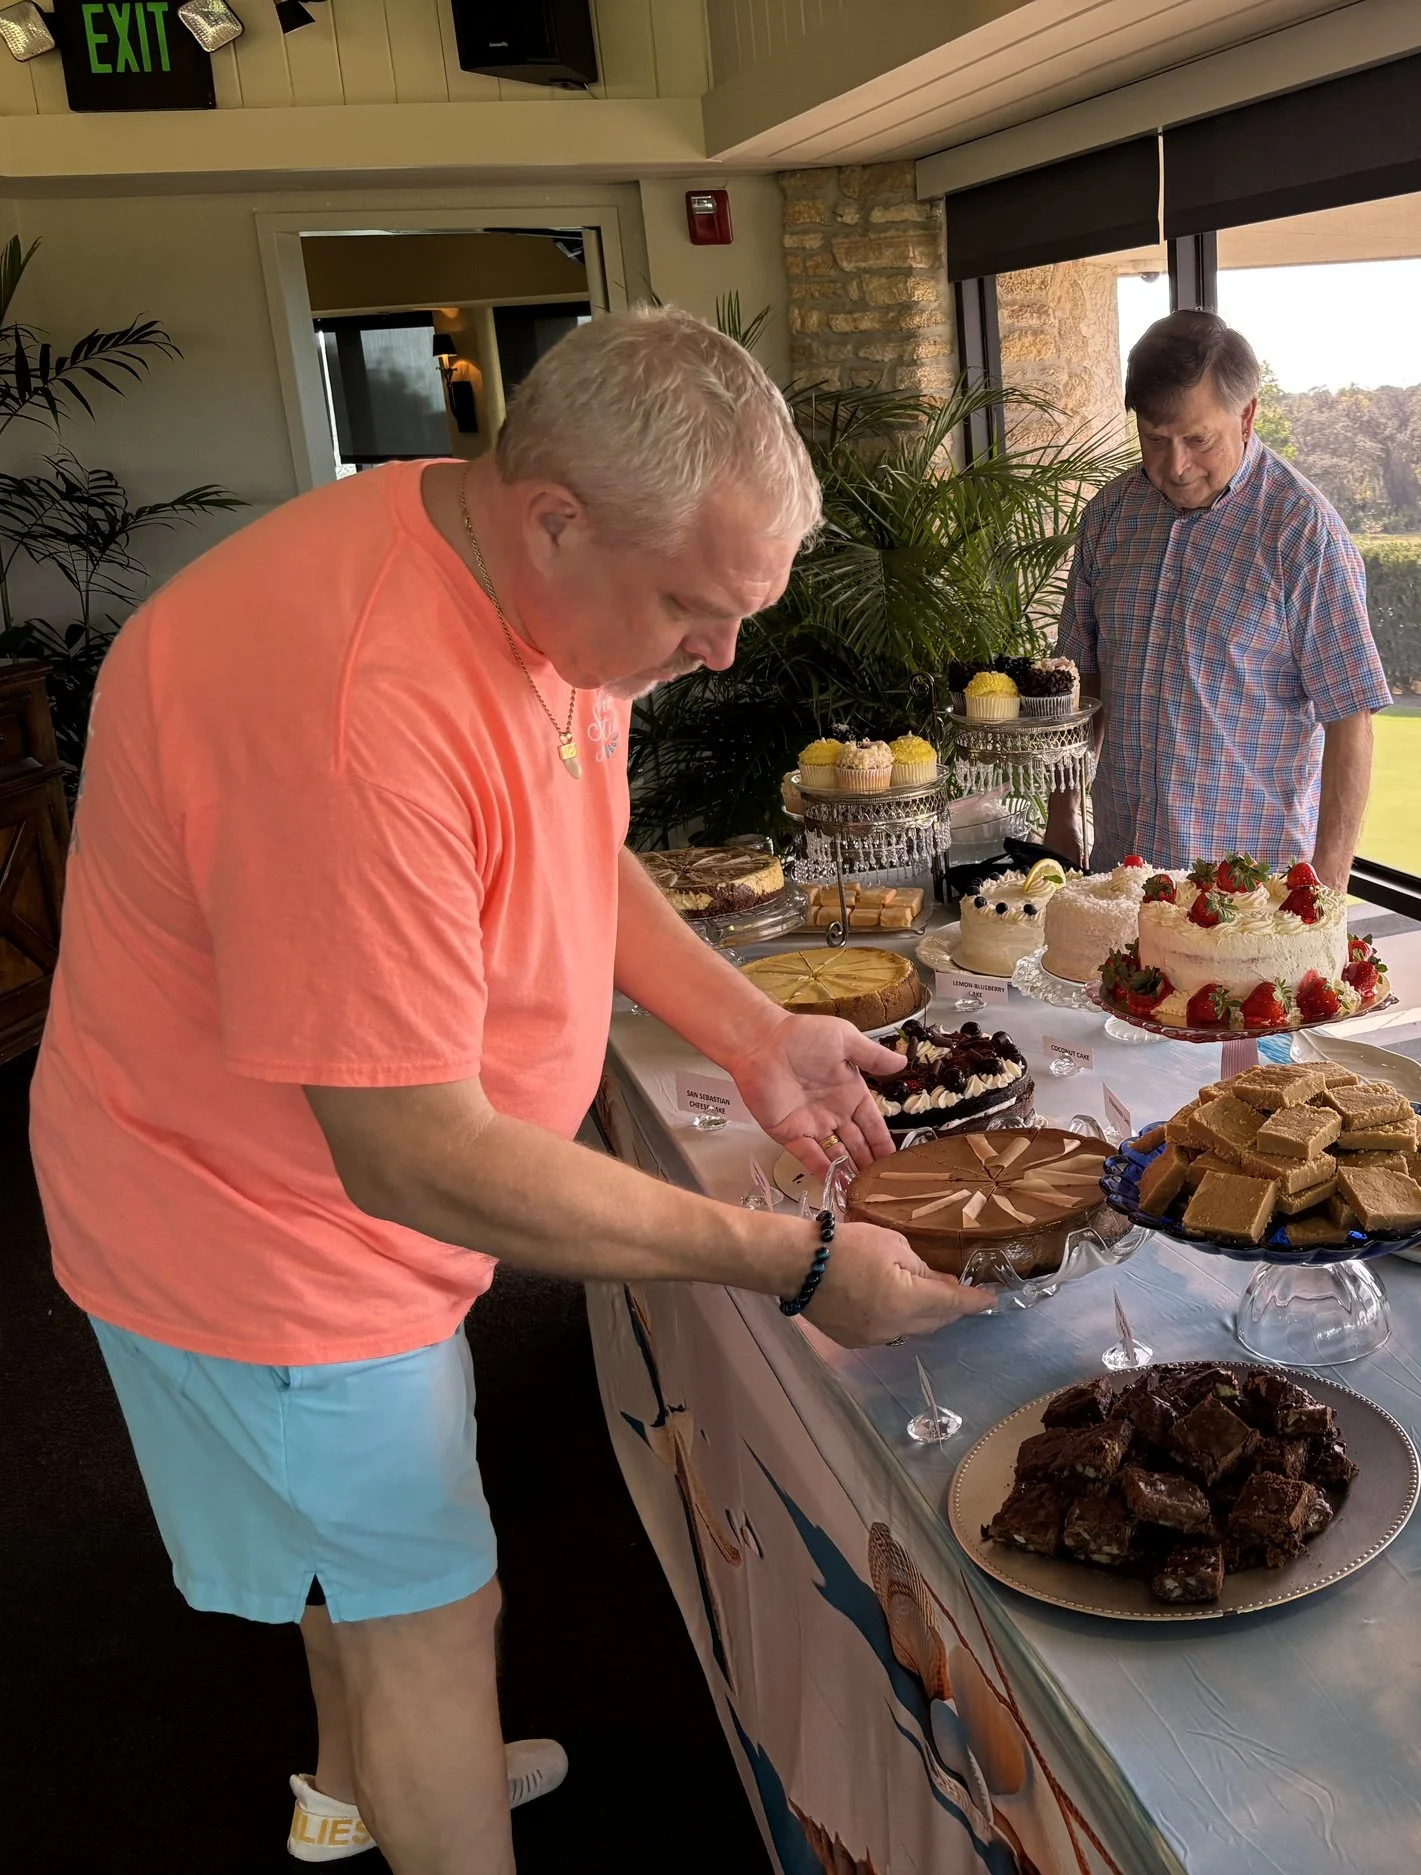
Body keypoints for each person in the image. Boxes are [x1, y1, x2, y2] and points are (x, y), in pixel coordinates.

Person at [29, 307, 990, 1872]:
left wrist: (753, 1032)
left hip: (326, 1204)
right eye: (696, 604)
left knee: (371, 1564)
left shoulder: (525, 580)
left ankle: (357, 1791)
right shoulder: (357, 707)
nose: (723, 653)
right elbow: (411, 1150)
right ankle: (414, 1783)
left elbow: (569, 841)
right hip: (257, 1231)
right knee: (433, 1610)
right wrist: (796, 1261)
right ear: (554, 514)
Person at [1044, 310, 1392, 887]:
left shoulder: (1301, 532)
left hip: (1243, 895)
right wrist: (1063, 817)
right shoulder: (1110, 516)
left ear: (1247, 414)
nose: (1176, 467)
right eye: (1155, 440)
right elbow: (1080, 683)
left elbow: (1349, 718)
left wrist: (1325, 888)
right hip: (1117, 878)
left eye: (1197, 440)